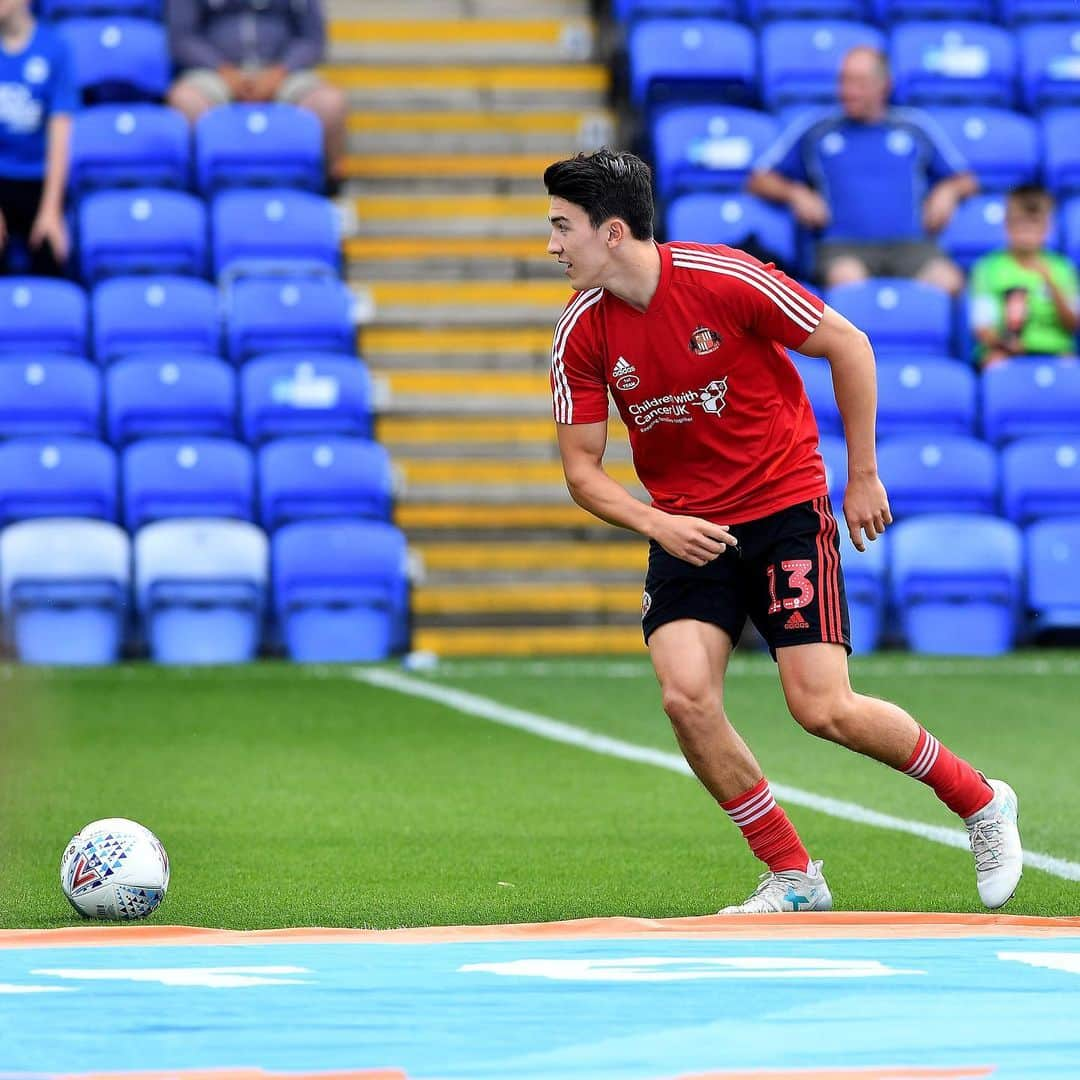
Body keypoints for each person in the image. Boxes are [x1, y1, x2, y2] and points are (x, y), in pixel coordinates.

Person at [545, 147, 1022, 914]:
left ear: (611, 231)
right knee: (685, 698)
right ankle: (794, 875)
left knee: (822, 707)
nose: (552, 245)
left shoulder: (725, 277)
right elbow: (582, 470)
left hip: (783, 508)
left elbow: (849, 345)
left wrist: (862, 475)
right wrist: (658, 523)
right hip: (687, 529)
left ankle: (981, 803)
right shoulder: (580, 333)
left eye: (562, 226)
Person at [747, 46, 976, 296]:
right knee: (850, 288)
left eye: (859, 82)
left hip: (912, 246)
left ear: (884, 85)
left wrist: (948, 191)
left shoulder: (914, 127)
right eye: (844, 81)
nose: (848, 91)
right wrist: (795, 193)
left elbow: (966, 180)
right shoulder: (818, 128)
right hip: (842, 248)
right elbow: (758, 180)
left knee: (950, 283)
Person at [166, 0, 347, 190]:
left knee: (329, 103)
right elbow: (182, 38)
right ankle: (195, 189)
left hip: (283, 72)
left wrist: (281, 71)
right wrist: (223, 70)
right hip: (215, 72)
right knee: (186, 100)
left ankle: (329, 187)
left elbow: (312, 40)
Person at [0, 0, 74, 276]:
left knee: (50, 247)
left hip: (38, 179)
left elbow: (60, 132)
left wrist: (51, 210)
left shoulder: (54, 48)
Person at [969, 184, 1079, 368]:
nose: (1026, 233)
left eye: (1034, 224)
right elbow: (983, 327)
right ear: (1007, 226)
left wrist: (1051, 283)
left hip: (1055, 350)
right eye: (1020, 224)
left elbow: (1073, 324)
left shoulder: (1063, 268)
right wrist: (1005, 344)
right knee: (995, 365)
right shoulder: (988, 268)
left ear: (1047, 228)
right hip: (1004, 350)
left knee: (1071, 369)